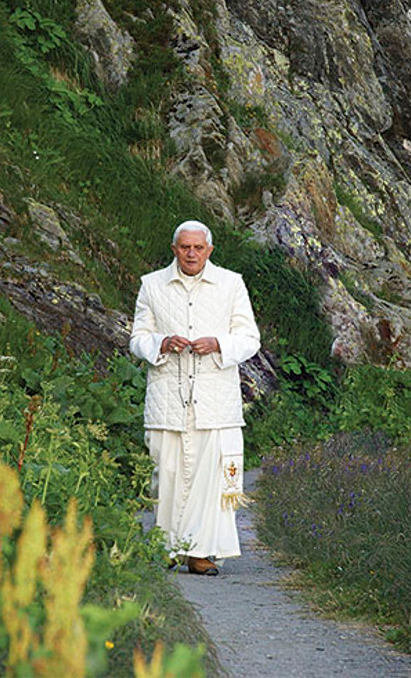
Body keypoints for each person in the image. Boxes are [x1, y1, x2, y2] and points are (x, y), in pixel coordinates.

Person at [130, 220, 260, 575]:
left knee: (210, 476)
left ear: (209, 250)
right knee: (166, 472)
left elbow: (249, 338)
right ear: (174, 249)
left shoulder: (231, 284)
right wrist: (161, 343)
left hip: (215, 399)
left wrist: (218, 343)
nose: (191, 254)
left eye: (197, 248)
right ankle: (168, 548)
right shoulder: (152, 285)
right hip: (167, 398)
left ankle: (201, 553)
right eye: (184, 247)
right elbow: (137, 337)